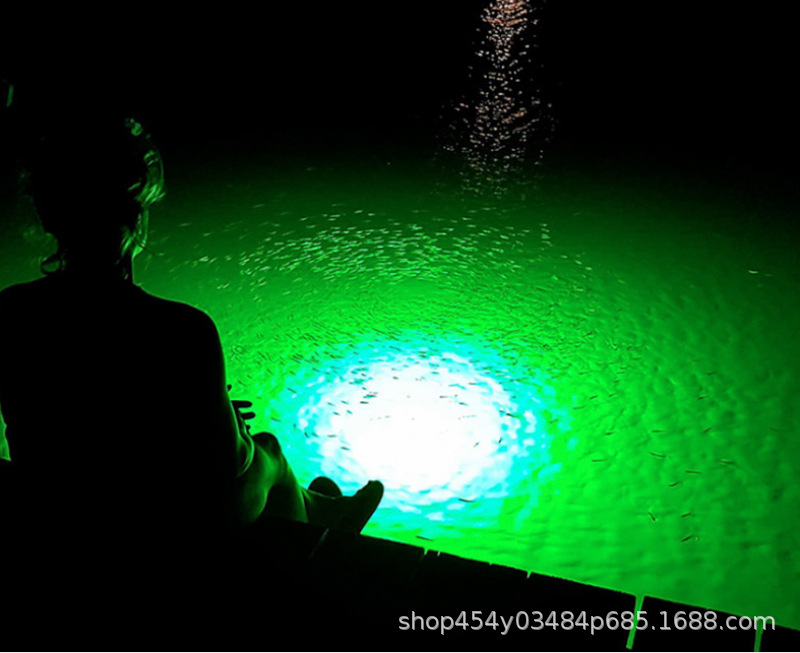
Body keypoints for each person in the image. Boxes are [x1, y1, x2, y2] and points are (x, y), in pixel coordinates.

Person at [0, 114, 383, 558]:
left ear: (49, 215)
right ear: (135, 213)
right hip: (168, 528)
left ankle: (318, 507)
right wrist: (224, 421)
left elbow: (87, 415)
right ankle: (318, 524)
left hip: (52, 508)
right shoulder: (183, 328)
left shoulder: (10, 310)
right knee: (267, 451)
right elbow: (221, 470)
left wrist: (196, 409)